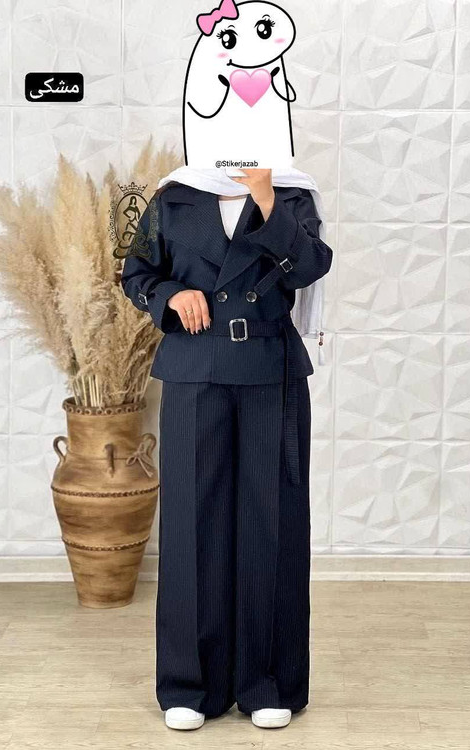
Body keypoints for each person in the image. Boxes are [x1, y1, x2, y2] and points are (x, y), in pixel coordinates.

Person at [120, 168, 333, 730]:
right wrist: (170, 294)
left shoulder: (292, 195)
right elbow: (135, 273)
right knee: (192, 525)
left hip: (270, 368)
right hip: (194, 367)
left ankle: (269, 682)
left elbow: (311, 266)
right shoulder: (173, 196)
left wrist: (266, 197)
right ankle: (190, 686)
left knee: (273, 521)